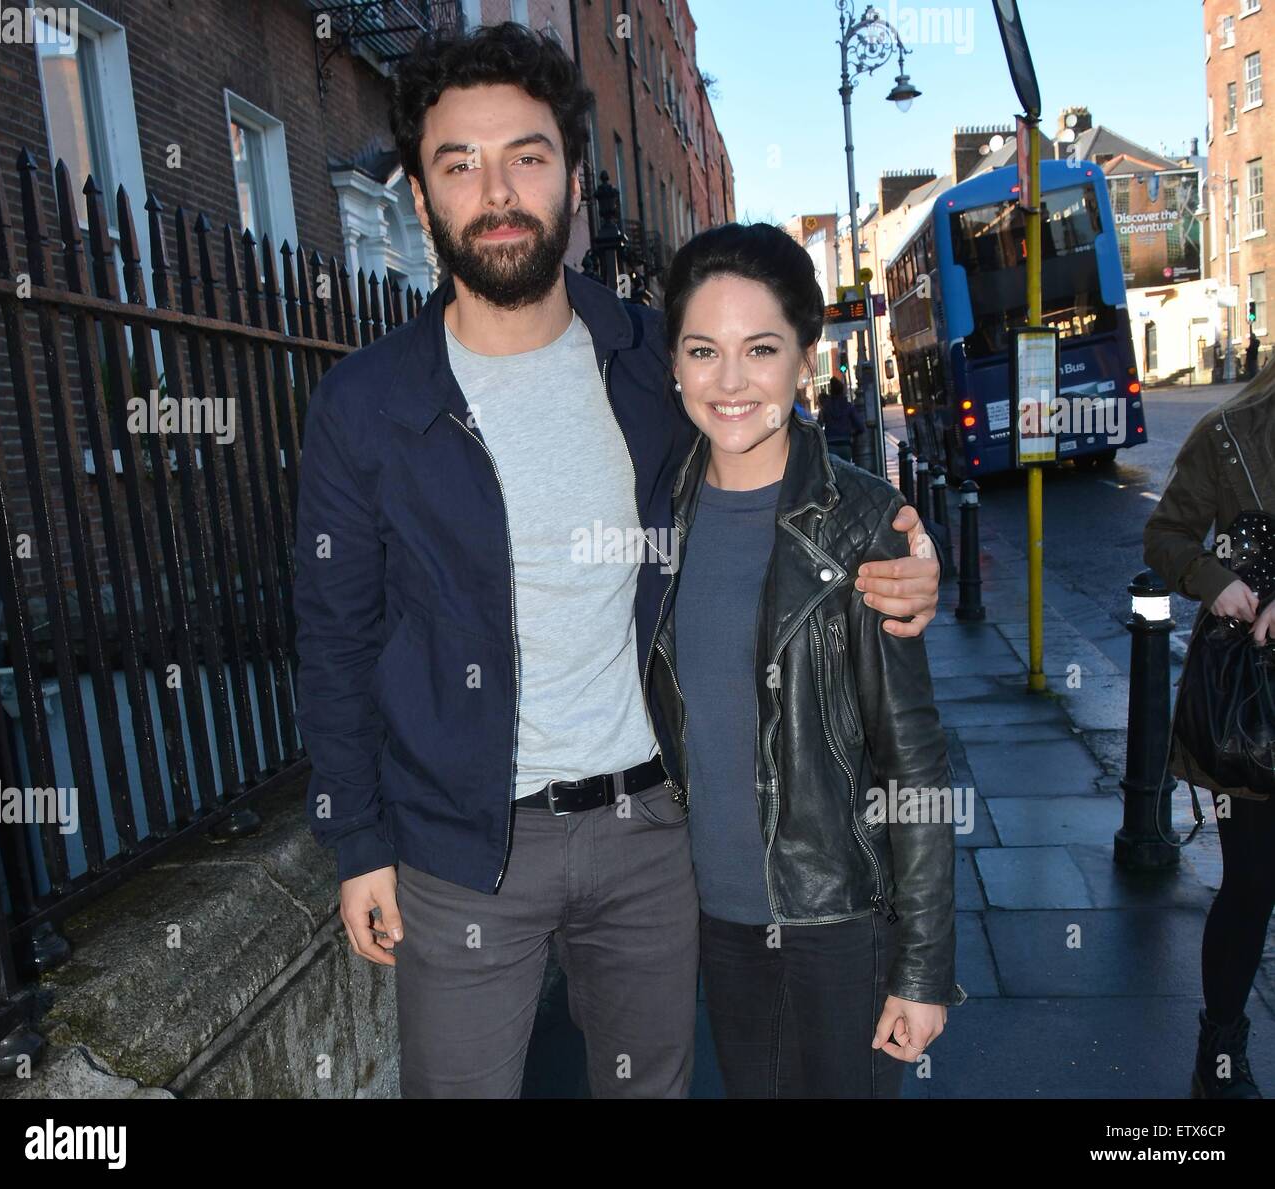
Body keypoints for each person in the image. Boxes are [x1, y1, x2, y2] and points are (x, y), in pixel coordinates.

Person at [291, 22, 943, 1099]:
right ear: (419, 197)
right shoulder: (364, 403)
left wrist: (890, 549)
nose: (494, 188)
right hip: (462, 847)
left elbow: (769, 453)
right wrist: (357, 838)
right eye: (458, 163)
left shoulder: (651, 358)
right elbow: (334, 633)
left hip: (651, 832)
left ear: (574, 183)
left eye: (526, 157)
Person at [651, 221, 965, 1099]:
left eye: (761, 349)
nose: (731, 380)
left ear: (804, 359)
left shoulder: (865, 522)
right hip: (720, 921)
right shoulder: (658, 515)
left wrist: (924, 965)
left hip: (840, 917)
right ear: (674, 362)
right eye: (703, 349)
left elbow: (914, 755)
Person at [1143, 354, 1275, 1099]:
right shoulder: (1228, 437)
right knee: (1253, 883)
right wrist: (1218, 579)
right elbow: (1165, 537)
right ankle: (1218, 1060)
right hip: (1251, 708)